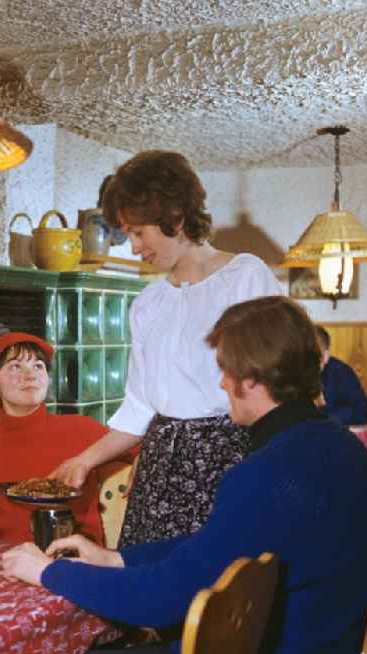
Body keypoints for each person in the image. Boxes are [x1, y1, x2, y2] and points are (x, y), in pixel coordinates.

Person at [3, 296, 367, 654]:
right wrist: (116, 558)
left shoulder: (268, 473)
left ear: (254, 379)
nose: (222, 384)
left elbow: (160, 600)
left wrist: (47, 573)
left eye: (226, 370)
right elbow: (218, 545)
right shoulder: (340, 448)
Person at [52, 150, 281, 547]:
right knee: (147, 589)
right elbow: (139, 408)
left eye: (139, 232)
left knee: (222, 594)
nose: (135, 247)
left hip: (231, 465)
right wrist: (84, 461)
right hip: (159, 473)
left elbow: (278, 391)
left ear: (175, 217)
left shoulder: (246, 278)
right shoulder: (147, 305)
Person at [0, 332, 109, 544]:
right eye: (16, 366)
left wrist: (138, 459)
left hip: (79, 561)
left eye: (38, 366)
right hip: (11, 560)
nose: (31, 375)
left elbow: (143, 450)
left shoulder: (82, 429)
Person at [316, 325, 367, 425]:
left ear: (325, 357)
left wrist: (325, 416)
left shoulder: (341, 373)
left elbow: (362, 413)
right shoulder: (291, 373)